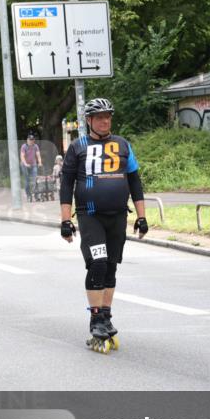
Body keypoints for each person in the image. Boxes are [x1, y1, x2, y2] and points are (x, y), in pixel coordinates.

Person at [58, 98, 148, 354]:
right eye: (99, 117)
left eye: (108, 116)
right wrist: (65, 220)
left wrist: (142, 217)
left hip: (118, 216)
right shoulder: (78, 147)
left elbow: (135, 182)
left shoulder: (123, 145)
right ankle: (95, 318)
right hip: (90, 216)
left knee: (110, 266)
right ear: (89, 121)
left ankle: (106, 316)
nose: (105, 121)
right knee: (97, 263)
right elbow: (66, 185)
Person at [20, 132, 43, 201]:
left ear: (34, 140)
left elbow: (38, 155)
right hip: (24, 165)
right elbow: (22, 156)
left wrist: (40, 162)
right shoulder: (24, 146)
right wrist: (25, 164)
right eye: (30, 140)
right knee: (27, 181)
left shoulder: (35, 146)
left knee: (35, 179)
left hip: (33, 165)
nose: (31, 141)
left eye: (32, 140)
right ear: (27, 140)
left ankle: (36, 195)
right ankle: (28, 195)